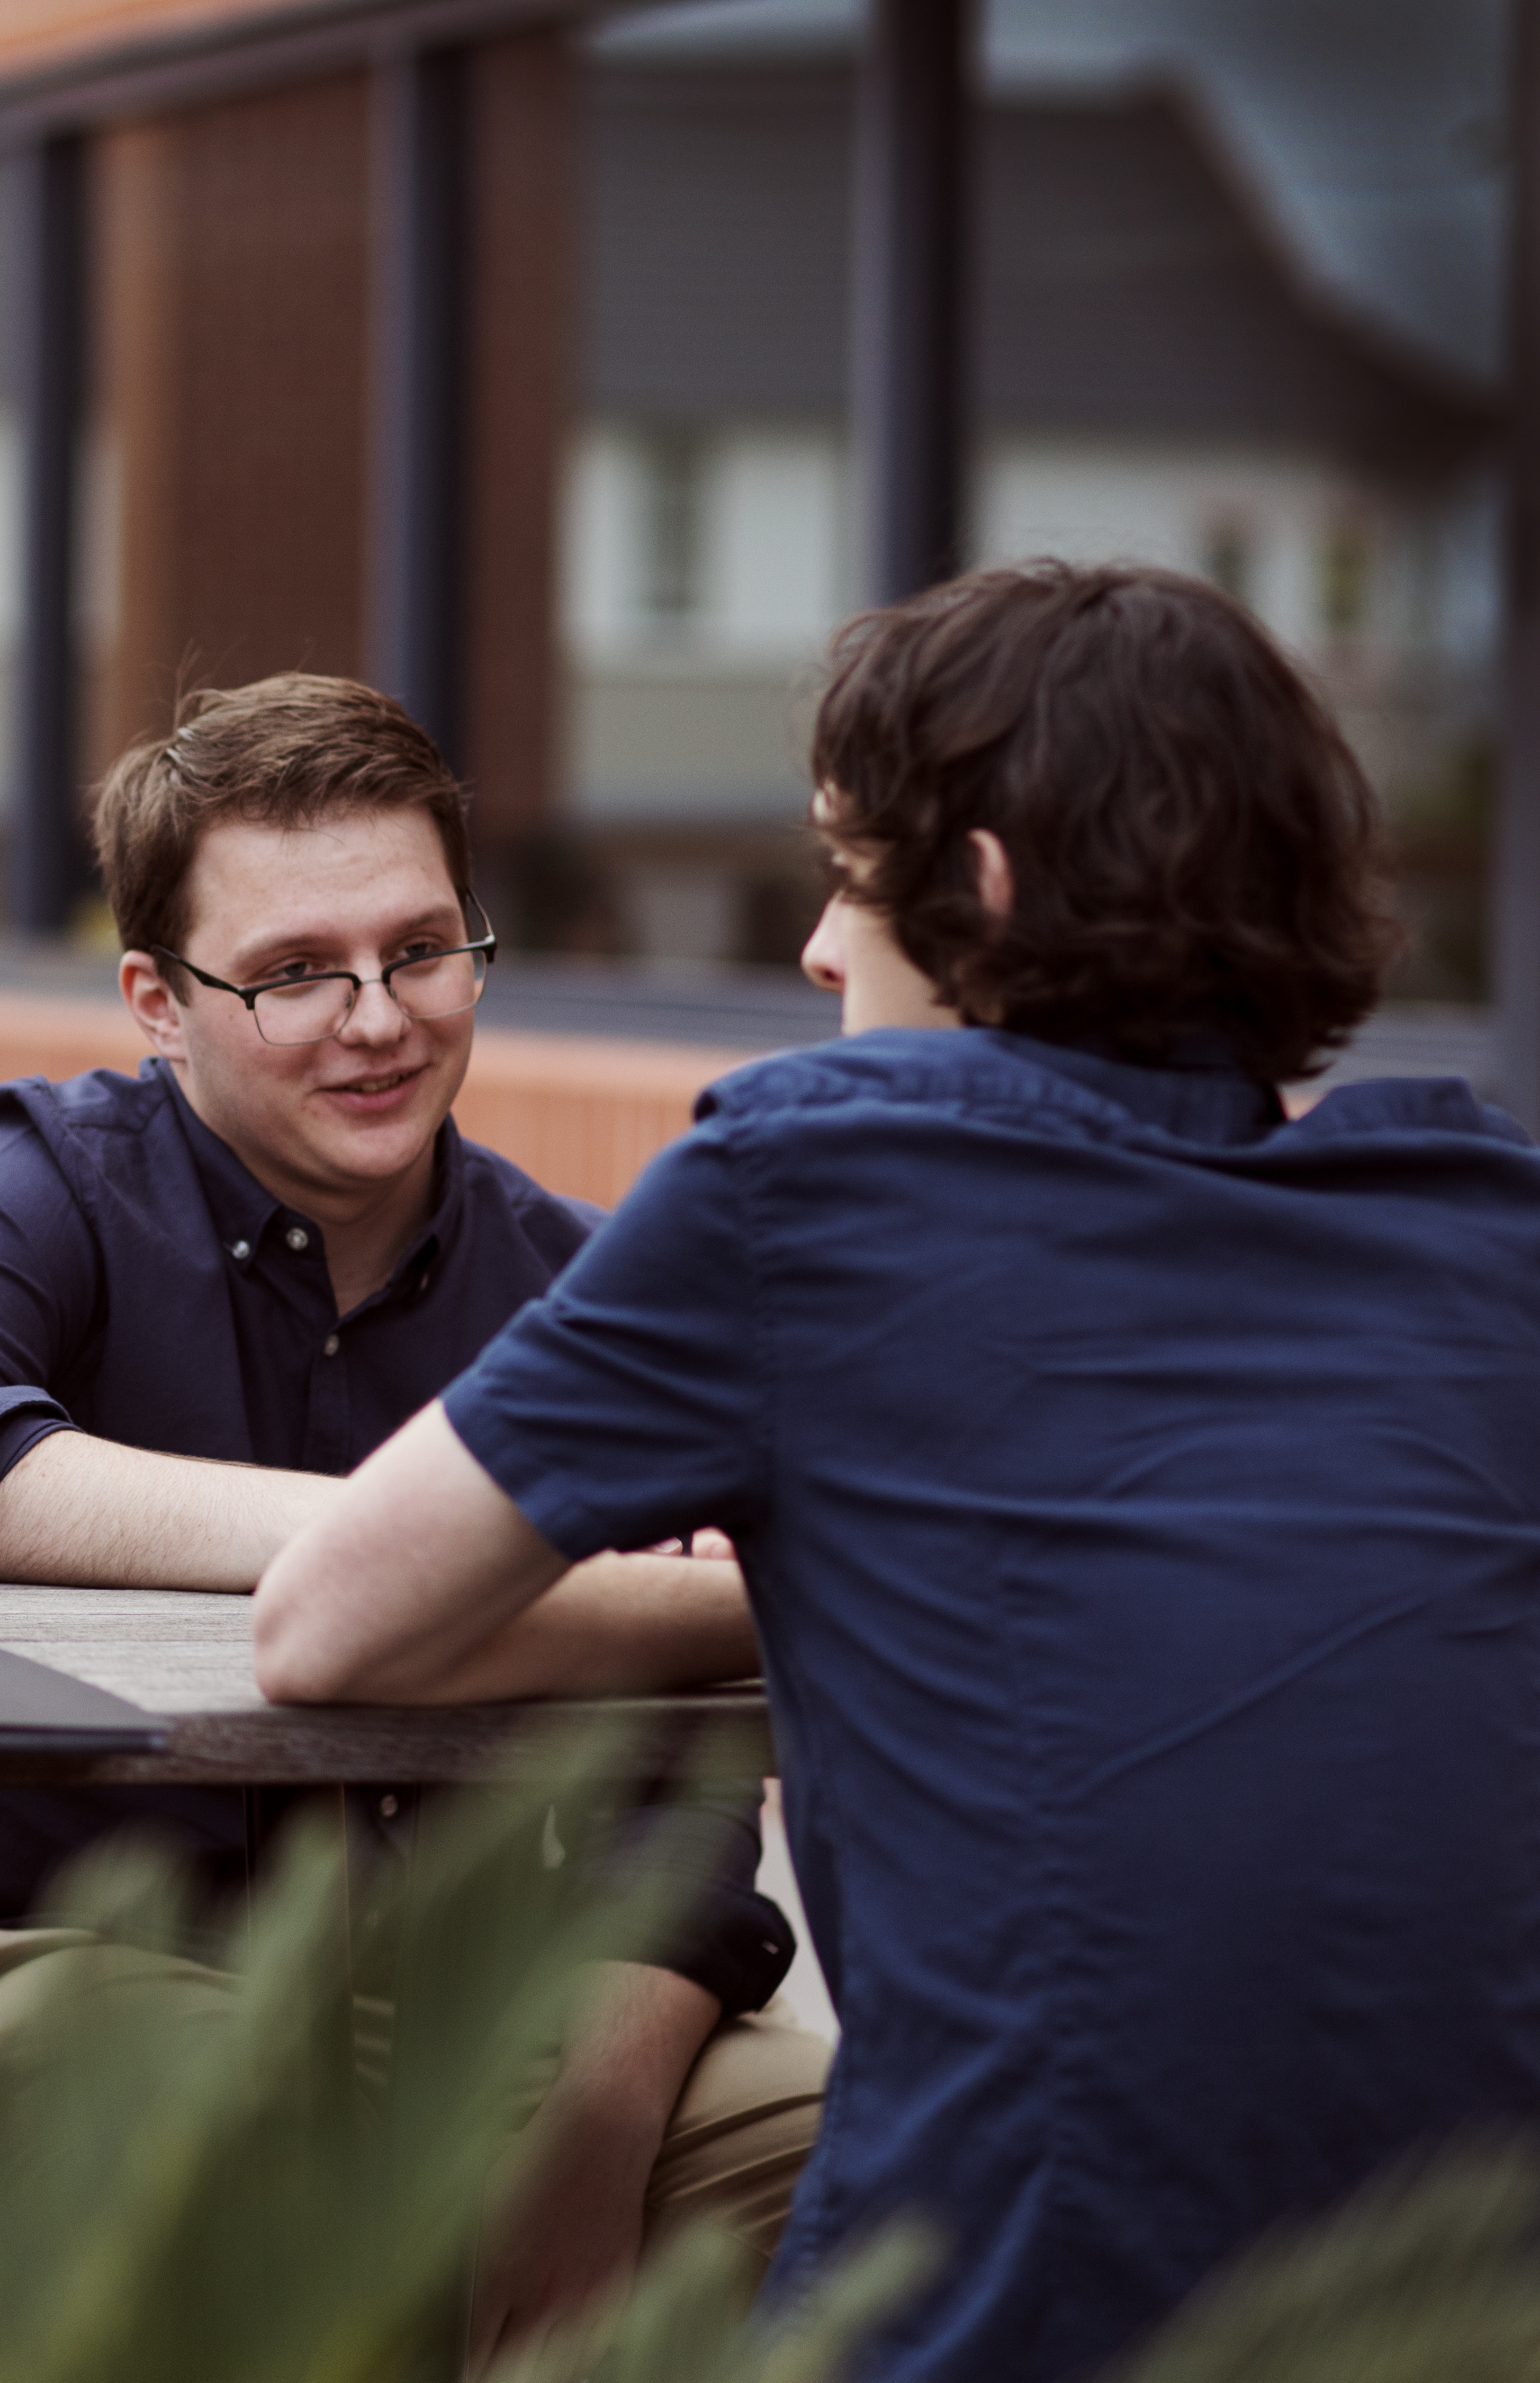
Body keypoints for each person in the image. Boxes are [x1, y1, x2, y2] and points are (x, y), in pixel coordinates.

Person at [253, 563, 1540, 2382]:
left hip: (1010, 2305)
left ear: (986, 886)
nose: (819, 949)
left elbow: (327, 1623)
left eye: (850, 876)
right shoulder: (1484, 1229)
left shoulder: (816, 1184)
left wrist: (749, 1597)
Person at [0, 673, 825, 2344]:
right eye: (291, 973)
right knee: (218, 2156)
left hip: (468, 2011)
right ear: (154, 996)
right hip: (54, 1974)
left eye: (421, 948)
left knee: (869, 2156)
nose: (378, 1016)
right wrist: (384, 1547)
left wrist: (600, 2128)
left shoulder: (572, 1278)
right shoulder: (39, 1174)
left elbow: (678, 1784)